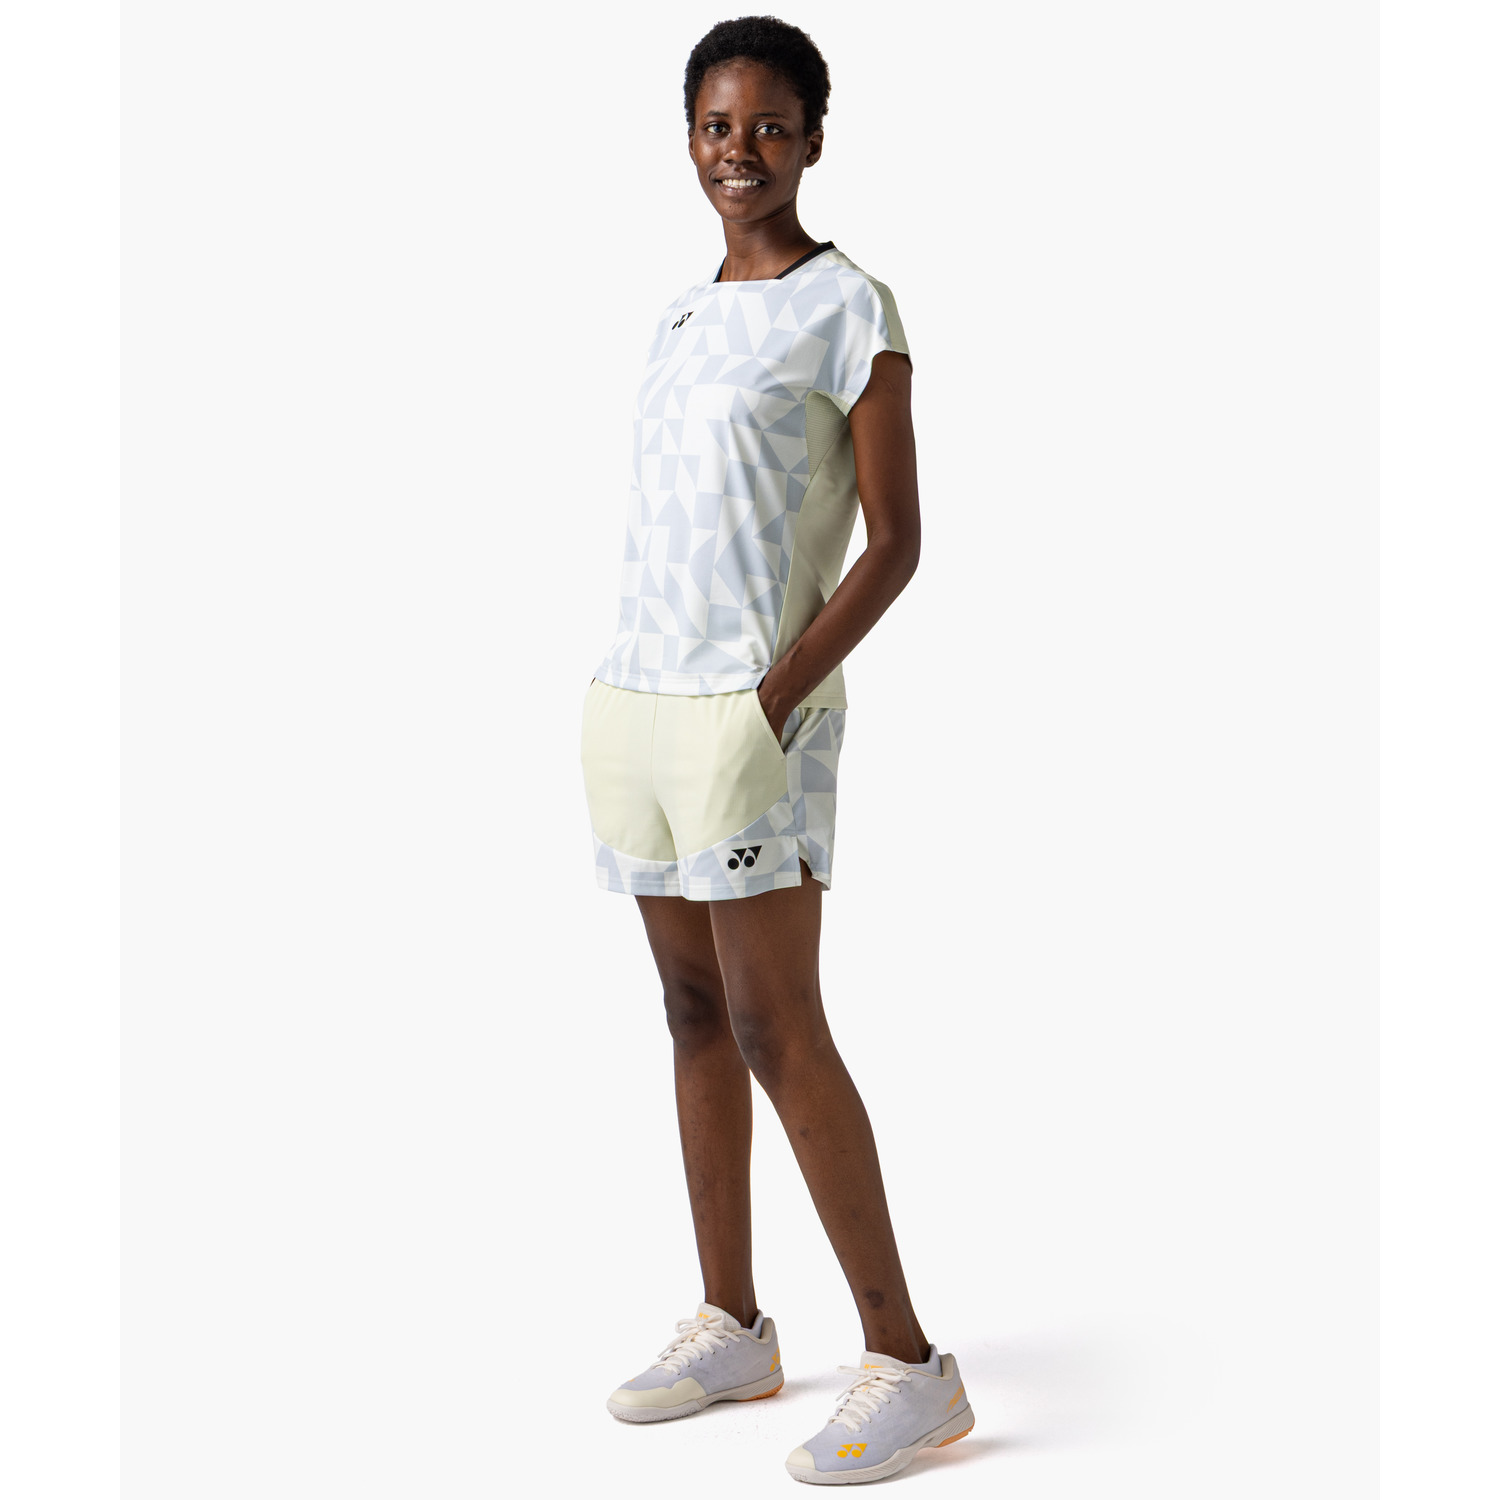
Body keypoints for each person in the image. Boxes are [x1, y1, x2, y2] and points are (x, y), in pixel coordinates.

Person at [578, 16, 973, 1485]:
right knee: (690, 1012)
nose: (737, 151)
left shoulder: (851, 308)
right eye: (714, 126)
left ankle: (910, 1365)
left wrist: (772, 701)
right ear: (688, 138)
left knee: (774, 1025)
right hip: (637, 703)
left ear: (812, 137)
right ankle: (734, 1325)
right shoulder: (681, 315)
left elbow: (897, 543)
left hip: (755, 716)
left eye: (766, 125)